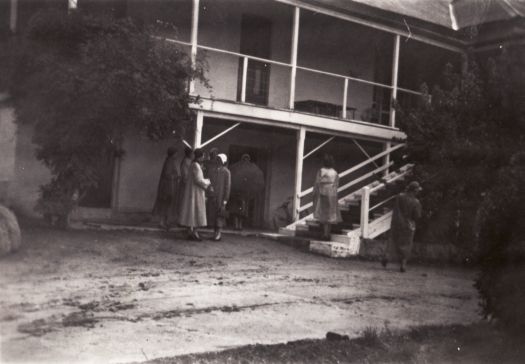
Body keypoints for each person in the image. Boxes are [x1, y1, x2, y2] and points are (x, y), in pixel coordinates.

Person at [381, 181, 423, 273]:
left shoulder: (399, 197)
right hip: (408, 225)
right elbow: (417, 216)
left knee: (392, 241)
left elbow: (395, 208)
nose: (418, 192)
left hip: (396, 223)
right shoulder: (416, 202)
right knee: (406, 245)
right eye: (417, 190)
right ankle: (403, 265)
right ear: (415, 191)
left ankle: (387, 257)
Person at [178, 149, 212, 241]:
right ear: (199, 157)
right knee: (197, 211)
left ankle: (191, 231)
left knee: (192, 211)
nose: (204, 158)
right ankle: (194, 232)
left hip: (193, 191)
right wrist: (208, 182)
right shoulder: (196, 166)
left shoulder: (194, 165)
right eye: (203, 156)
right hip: (196, 192)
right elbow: (198, 180)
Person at [313, 154, 342, 240]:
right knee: (329, 215)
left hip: (323, 193)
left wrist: (315, 191)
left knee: (325, 214)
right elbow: (337, 184)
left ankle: (326, 234)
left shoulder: (321, 170)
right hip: (332, 194)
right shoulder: (335, 172)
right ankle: (327, 233)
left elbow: (317, 182)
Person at [152, 147, 180, 230]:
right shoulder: (169, 161)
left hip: (169, 185)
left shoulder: (170, 161)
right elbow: (168, 174)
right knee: (165, 203)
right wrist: (176, 176)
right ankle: (161, 222)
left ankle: (165, 221)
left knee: (167, 203)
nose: (177, 155)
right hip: (167, 186)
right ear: (173, 153)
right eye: (176, 153)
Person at [207, 153, 231, 241]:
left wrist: (225, 199)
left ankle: (219, 234)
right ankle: (214, 233)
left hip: (221, 197)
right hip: (213, 196)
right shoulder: (213, 170)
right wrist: (210, 189)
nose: (218, 161)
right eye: (217, 159)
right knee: (213, 215)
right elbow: (209, 181)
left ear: (223, 161)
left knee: (220, 216)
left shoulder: (226, 172)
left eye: (219, 160)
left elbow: (227, 186)